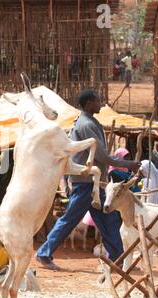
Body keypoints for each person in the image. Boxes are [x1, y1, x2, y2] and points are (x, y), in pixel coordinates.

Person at [35, 89, 140, 270]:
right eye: (98, 101)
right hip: (86, 182)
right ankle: (43, 253)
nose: (100, 103)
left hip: (93, 181)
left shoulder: (88, 122)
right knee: (70, 219)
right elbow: (102, 156)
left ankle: (117, 257)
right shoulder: (86, 125)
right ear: (89, 103)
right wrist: (129, 164)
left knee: (108, 219)